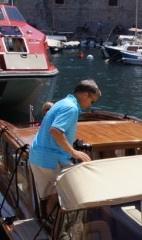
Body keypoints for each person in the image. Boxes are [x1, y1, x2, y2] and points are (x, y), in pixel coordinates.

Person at [29, 79, 100, 219]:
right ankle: (67, 230)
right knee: (75, 192)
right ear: (85, 95)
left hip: (37, 157)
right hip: (52, 160)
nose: (91, 105)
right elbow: (55, 131)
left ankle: (50, 225)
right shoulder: (71, 108)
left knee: (52, 195)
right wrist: (73, 152)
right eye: (93, 101)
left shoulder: (62, 103)